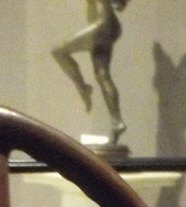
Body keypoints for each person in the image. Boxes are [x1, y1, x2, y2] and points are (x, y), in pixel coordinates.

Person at [52, 0, 129, 147]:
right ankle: (117, 121)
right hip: (109, 26)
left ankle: (83, 88)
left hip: (102, 24)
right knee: (102, 75)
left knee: (58, 52)